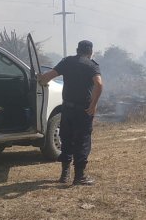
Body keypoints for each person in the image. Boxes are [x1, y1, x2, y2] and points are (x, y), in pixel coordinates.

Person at [38, 40, 103, 186]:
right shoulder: (92, 65)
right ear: (90, 52)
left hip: (67, 108)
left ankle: (64, 175)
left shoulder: (66, 62)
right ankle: (79, 177)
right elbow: (99, 84)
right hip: (83, 110)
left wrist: (40, 79)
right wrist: (93, 105)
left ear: (77, 49)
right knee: (82, 141)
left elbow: (48, 77)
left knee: (66, 139)